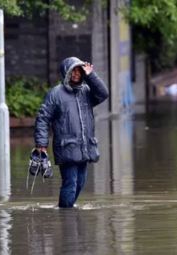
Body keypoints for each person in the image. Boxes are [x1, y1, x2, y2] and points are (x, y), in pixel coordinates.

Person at [34, 56, 109, 208]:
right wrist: (41, 143)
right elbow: (42, 118)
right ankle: (66, 214)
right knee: (71, 183)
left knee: (80, 183)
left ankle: (65, 211)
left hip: (84, 148)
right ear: (66, 73)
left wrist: (91, 75)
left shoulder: (86, 92)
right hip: (66, 148)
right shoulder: (55, 94)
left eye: (79, 71)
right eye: (73, 71)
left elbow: (103, 93)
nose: (76, 74)